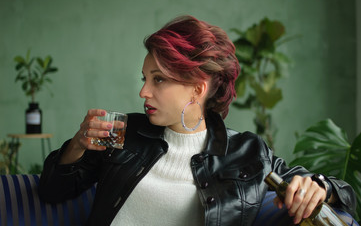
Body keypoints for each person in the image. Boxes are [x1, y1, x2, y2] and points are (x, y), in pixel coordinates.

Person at [39, 15, 356, 226]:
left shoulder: (246, 152)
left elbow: (346, 194)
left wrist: (319, 187)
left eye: (159, 80)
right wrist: (77, 147)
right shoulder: (127, 132)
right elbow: (52, 191)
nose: (143, 91)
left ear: (197, 89)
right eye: (145, 78)